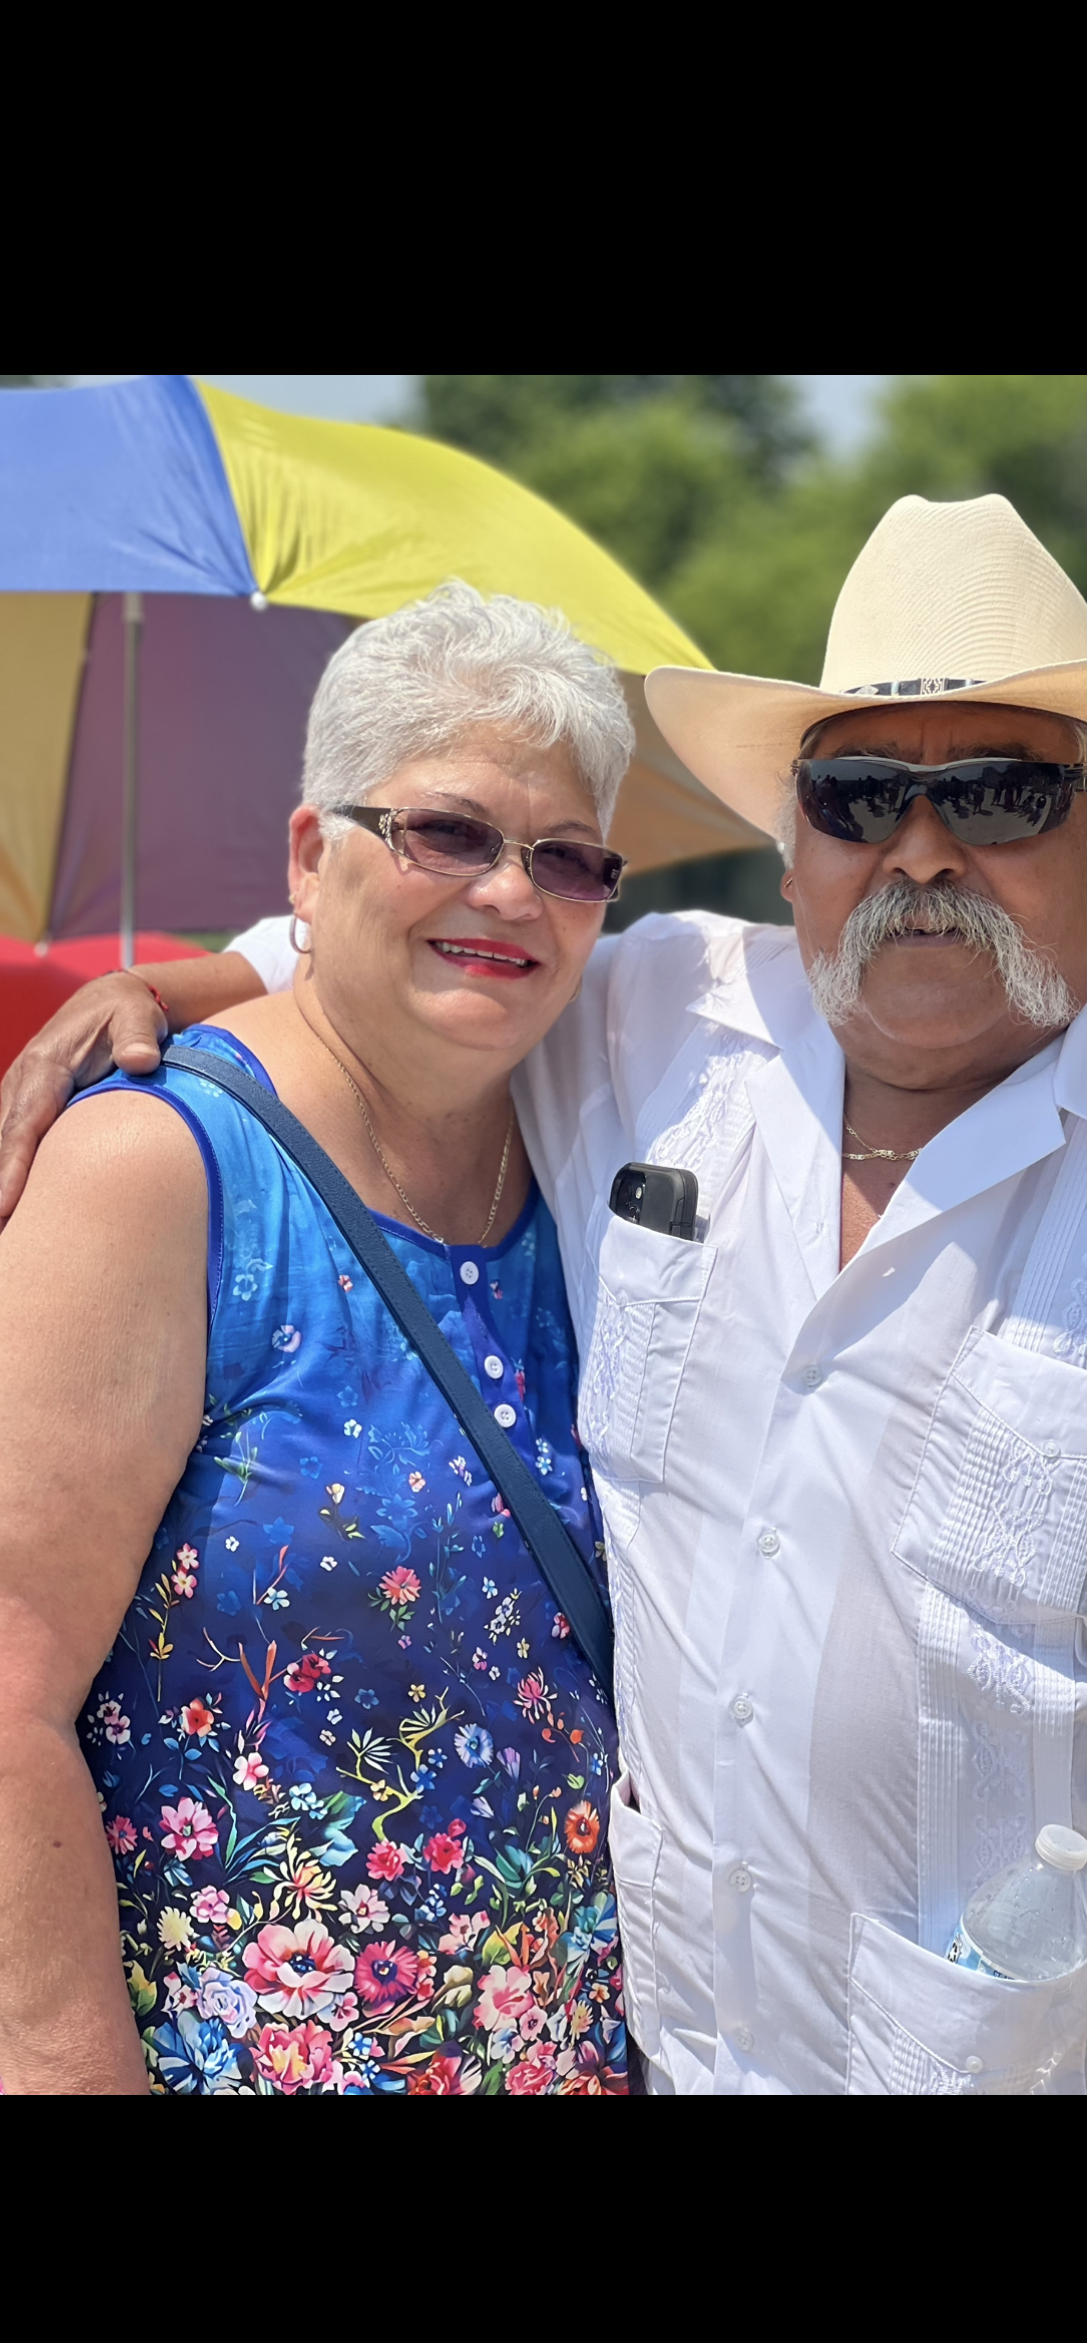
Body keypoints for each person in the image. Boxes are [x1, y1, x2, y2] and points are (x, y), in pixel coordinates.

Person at [0, 507, 1087, 2099]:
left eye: (1005, 796)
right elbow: (404, 934)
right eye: (860, 795)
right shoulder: (664, 1022)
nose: (924, 852)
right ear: (798, 837)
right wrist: (159, 989)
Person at [0, 587, 633, 2094]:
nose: (508, 895)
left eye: (564, 859)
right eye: (448, 834)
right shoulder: (159, 1169)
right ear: (307, 855)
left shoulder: (595, 1136)